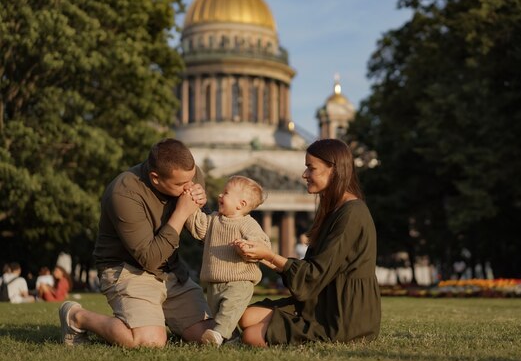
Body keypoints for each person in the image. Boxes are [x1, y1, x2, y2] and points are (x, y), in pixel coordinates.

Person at [58, 138, 214, 347]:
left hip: (170, 269)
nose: (189, 187)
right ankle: (76, 317)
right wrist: (182, 211)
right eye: (180, 184)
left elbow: (201, 231)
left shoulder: (189, 175)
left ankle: (157, 318)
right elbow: (148, 259)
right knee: (150, 342)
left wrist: (199, 207)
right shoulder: (124, 193)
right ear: (155, 178)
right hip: (128, 270)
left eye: (192, 178)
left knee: (212, 336)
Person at [234, 138, 381, 347]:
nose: (304, 174)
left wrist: (270, 255)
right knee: (246, 317)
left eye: (311, 168)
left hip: (343, 312)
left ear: (333, 169)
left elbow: (315, 273)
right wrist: (263, 257)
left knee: (251, 336)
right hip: (322, 299)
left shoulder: (352, 213)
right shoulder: (334, 209)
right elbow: (315, 269)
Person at [182, 175, 271, 346]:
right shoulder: (214, 220)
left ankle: (216, 336)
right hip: (214, 282)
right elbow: (197, 225)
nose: (220, 196)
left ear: (241, 204)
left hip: (239, 281)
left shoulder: (247, 224)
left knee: (228, 312)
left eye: (226, 193)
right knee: (219, 315)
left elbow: (262, 243)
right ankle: (232, 340)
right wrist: (190, 203)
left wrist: (246, 246)